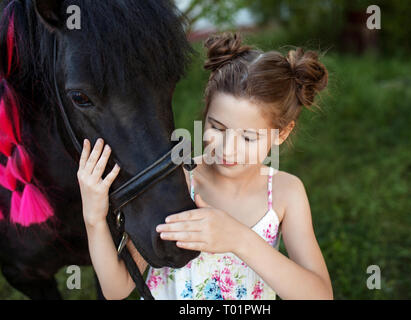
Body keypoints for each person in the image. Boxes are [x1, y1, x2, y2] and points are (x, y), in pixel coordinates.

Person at [77, 32, 333, 300]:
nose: (227, 149)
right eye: (217, 127)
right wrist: (93, 219)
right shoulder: (176, 182)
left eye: (248, 137)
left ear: (281, 133)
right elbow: (116, 289)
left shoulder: (285, 193)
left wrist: (238, 239)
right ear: (205, 113)